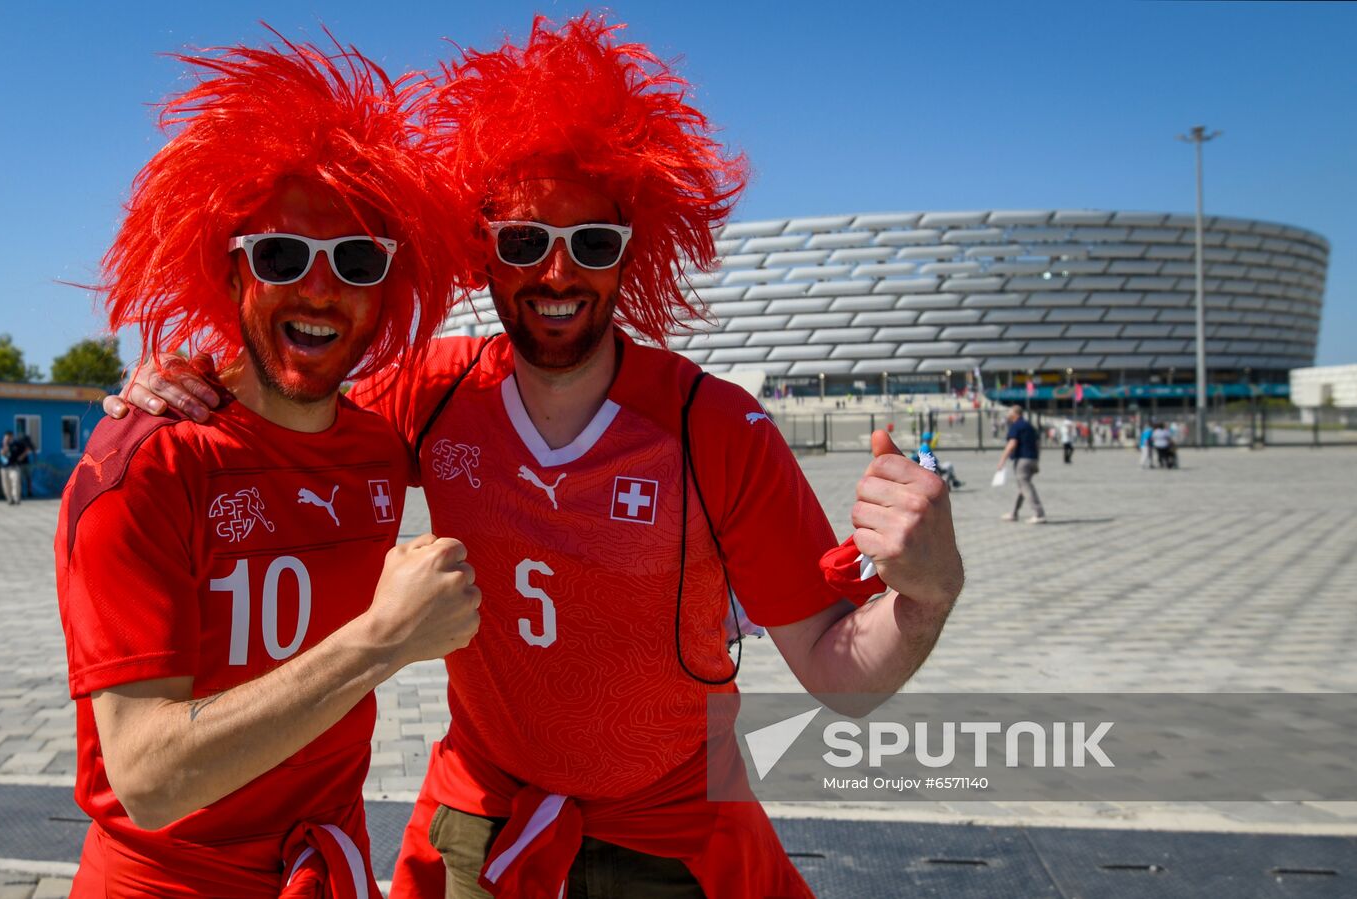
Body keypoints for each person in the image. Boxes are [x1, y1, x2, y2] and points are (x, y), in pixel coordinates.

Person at [108, 16, 964, 898]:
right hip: (486, 822)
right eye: (524, 241)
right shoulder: (433, 391)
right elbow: (290, 397)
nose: (557, 272)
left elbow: (838, 671)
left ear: (634, 256)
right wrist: (185, 373)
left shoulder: (715, 425)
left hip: (672, 837)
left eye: (592, 243)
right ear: (484, 251)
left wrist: (930, 594)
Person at [57, 37, 481, 898]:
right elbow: (147, 776)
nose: (321, 290)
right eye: (282, 256)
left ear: (389, 290)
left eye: (357, 262)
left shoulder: (382, 437)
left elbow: (548, 391)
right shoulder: (145, 466)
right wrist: (383, 640)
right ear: (229, 268)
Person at [996, 405, 1045, 523]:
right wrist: (1036, 460)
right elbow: (1038, 444)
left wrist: (1002, 460)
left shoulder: (1016, 426)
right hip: (1032, 459)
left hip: (1022, 460)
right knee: (1022, 487)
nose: (1007, 415)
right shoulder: (1029, 426)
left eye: (1009, 412)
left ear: (1015, 414)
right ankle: (1014, 513)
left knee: (1026, 487)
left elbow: (1012, 443)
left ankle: (1039, 513)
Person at [0, 431, 27, 504]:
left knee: (16, 482)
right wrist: (5, 444)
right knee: (6, 484)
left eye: (8, 437)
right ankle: (9, 499)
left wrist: (21, 457)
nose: (7, 439)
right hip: (4, 468)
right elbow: (2, 453)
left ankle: (16, 498)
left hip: (14, 466)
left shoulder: (17, 444)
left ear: (12, 437)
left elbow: (26, 450)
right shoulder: (2, 444)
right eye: (6, 437)